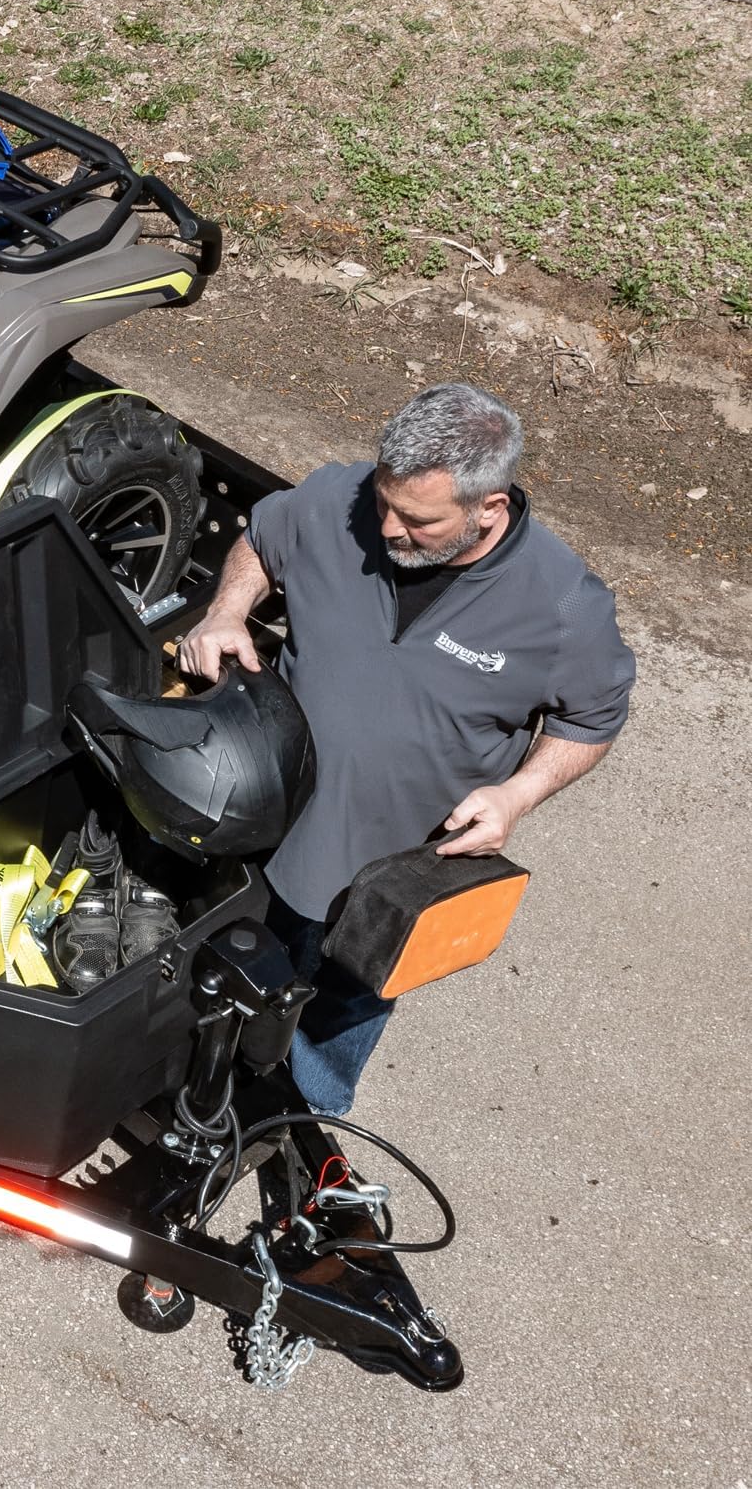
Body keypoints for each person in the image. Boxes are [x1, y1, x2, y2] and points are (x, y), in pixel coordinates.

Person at [178, 382, 635, 1114]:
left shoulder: (564, 609)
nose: (386, 527)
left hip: (386, 875)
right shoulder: (340, 499)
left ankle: (301, 1126)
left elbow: (592, 720)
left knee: (342, 1009)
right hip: (263, 813)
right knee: (226, 969)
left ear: (491, 507)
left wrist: (517, 795)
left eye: (418, 520)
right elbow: (263, 540)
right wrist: (227, 612)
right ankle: (198, 1083)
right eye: (384, 501)